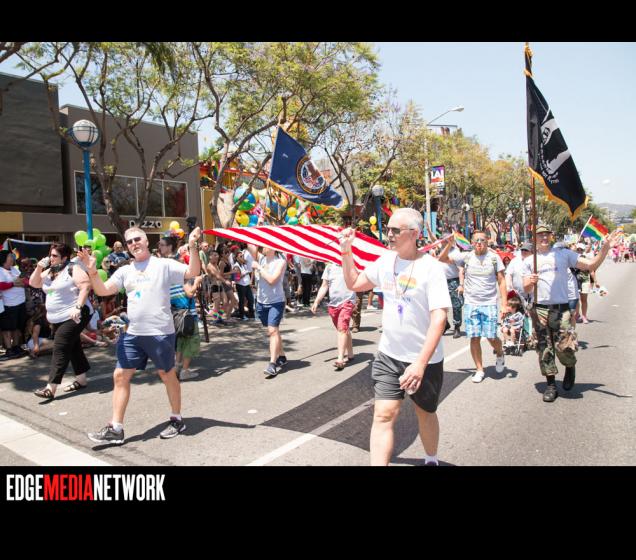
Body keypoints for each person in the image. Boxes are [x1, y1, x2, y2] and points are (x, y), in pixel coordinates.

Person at [340, 208, 451, 466]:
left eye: (395, 230)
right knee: (383, 415)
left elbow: (439, 319)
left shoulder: (432, 269)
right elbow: (354, 283)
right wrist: (346, 252)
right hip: (389, 356)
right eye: (388, 229)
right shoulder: (385, 261)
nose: (388, 234)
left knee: (425, 413)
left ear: (414, 234)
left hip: (424, 360)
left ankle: (431, 459)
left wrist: (420, 364)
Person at [79, 226, 201, 444]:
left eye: (137, 239)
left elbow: (192, 272)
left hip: (160, 333)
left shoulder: (163, 264)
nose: (134, 244)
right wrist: (92, 271)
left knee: (167, 375)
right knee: (120, 376)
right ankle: (116, 428)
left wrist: (192, 246)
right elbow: (103, 290)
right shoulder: (125, 270)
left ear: (146, 242)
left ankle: (176, 419)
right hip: (133, 334)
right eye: (129, 242)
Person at [522, 224, 621, 402]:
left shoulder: (564, 254)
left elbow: (590, 265)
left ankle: (570, 366)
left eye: (546, 234)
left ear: (551, 236)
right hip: (540, 308)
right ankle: (551, 385)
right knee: (544, 348)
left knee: (564, 347)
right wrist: (531, 281)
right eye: (540, 234)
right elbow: (526, 288)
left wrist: (605, 248)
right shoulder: (530, 261)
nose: (543, 237)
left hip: (561, 308)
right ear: (534, 238)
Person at [439, 231, 508, 383]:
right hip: (471, 303)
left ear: (487, 241)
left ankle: (500, 353)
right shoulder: (466, 257)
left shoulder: (494, 258)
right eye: (476, 240)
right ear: (472, 242)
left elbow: (502, 281)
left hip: (489, 303)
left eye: (482, 240)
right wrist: (449, 244)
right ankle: (479, 369)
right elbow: (441, 259)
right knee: (474, 337)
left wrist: (504, 304)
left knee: (491, 337)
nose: (479, 243)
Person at [28, 244, 93, 398]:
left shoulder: (73, 268)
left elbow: (85, 286)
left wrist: (78, 307)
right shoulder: (49, 271)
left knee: (60, 347)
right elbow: (33, 283)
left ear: (64, 258)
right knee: (73, 346)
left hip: (75, 314)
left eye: (55, 256)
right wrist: (39, 267)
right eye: (50, 255)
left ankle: (50, 388)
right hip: (58, 317)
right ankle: (81, 380)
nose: (51, 258)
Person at [248, 244, 287, 378]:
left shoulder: (280, 262)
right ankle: (282, 356)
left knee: (272, 331)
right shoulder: (261, 258)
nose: (263, 247)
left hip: (276, 302)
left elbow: (272, 280)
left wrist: (258, 267)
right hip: (261, 302)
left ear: (274, 247)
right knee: (273, 331)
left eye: (266, 244)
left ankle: (272, 364)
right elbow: (250, 244)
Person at [311, 262, 356, 370]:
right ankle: (350, 353)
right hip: (333, 304)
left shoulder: (351, 264)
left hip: (348, 302)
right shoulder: (329, 267)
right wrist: (316, 301)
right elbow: (324, 286)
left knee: (342, 329)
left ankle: (340, 359)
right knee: (344, 329)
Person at [0, 250, 28, 361]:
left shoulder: (15, 269)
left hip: (20, 302)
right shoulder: (0, 271)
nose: (12, 257)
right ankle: (9, 349)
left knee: (18, 327)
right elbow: (1, 285)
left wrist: (20, 283)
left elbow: (24, 281)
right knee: (7, 328)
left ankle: (16, 347)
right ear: (4, 259)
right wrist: (13, 284)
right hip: (9, 304)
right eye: (10, 256)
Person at [437, 244, 464, 338]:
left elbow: (461, 269)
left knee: (456, 305)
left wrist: (461, 285)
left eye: (445, 239)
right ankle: (445, 324)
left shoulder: (456, 253)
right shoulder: (440, 249)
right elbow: (434, 240)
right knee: (440, 305)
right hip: (440, 281)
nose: (442, 240)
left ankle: (457, 327)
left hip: (453, 281)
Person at [232, 249, 255, 320]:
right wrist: (244, 274)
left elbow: (251, 270)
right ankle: (241, 315)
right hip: (241, 285)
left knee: (251, 299)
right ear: (236, 258)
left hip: (247, 285)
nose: (242, 257)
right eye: (240, 256)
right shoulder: (236, 266)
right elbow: (236, 279)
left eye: (242, 256)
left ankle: (251, 314)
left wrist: (250, 281)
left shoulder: (244, 265)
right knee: (242, 301)